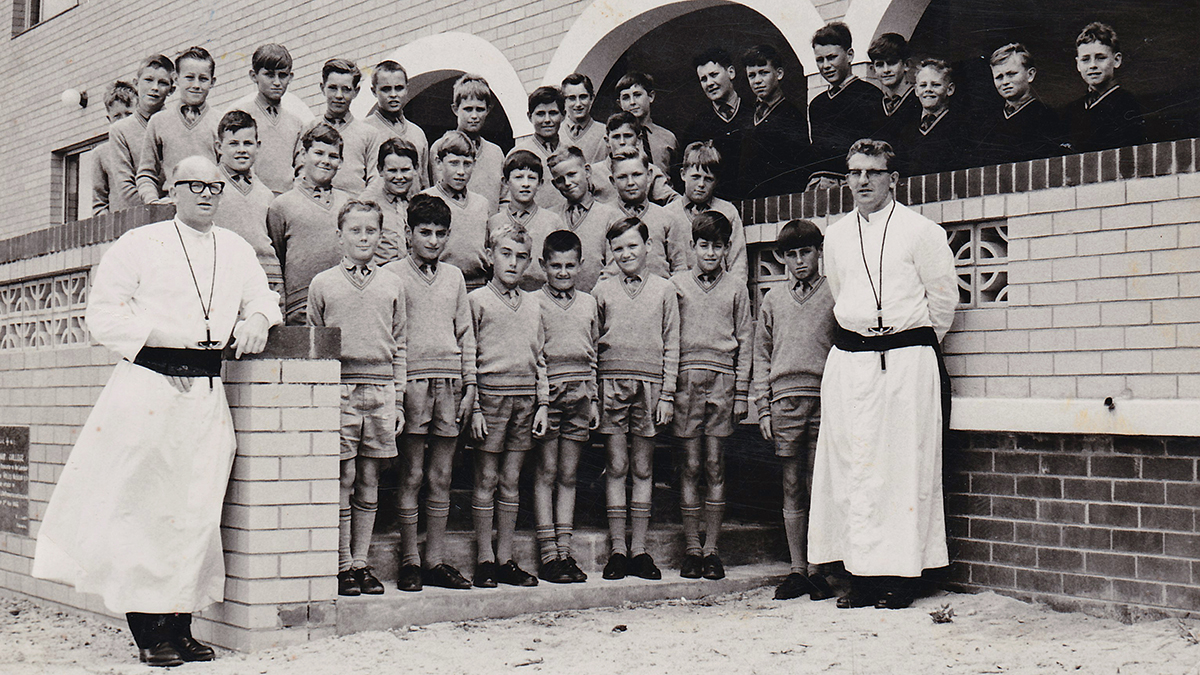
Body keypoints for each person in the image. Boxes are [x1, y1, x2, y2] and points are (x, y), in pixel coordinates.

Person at [32, 155, 280, 667]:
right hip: (148, 389)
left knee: (195, 510)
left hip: (207, 396)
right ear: (173, 189)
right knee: (146, 511)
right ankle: (149, 633)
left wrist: (257, 318)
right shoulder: (139, 244)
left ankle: (180, 625)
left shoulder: (234, 248)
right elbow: (103, 313)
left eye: (215, 186)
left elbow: (263, 298)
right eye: (195, 185)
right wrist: (166, 337)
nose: (207, 194)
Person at [809, 139, 957, 610]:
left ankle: (900, 578)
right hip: (852, 363)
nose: (863, 181)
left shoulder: (922, 232)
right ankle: (858, 576)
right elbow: (840, 290)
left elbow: (942, 305)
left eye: (873, 172)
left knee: (900, 468)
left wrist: (900, 342)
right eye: (854, 172)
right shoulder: (835, 235)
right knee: (853, 468)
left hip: (906, 362)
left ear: (893, 179)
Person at [308, 200, 406, 597]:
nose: (363, 238)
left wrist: (398, 398)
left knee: (369, 478)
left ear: (380, 235)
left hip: (380, 390)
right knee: (343, 477)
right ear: (340, 236)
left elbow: (400, 343)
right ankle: (341, 565)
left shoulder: (392, 283)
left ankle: (362, 562)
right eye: (355, 231)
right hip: (340, 390)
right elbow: (315, 342)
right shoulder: (323, 283)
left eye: (371, 231)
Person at [382, 193, 476, 592]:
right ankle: (410, 560)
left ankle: (435, 559)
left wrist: (470, 383)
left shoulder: (454, 277)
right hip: (412, 384)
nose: (433, 241)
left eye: (440, 233)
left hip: (449, 384)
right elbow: (390, 336)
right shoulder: (392, 276)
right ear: (408, 233)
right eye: (425, 233)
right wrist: (397, 390)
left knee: (441, 475)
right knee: (413, 474)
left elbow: (466, 334)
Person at [752, 219, 838, 602]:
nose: (800, 261)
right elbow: (761, 355)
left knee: (818, 484)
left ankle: (820, 571)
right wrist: (763, 407)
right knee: (790, 483)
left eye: (806, 252)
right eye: (791, 254)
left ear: (819, 252)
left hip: (826, 400)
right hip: (785, 401)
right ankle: (797, 569)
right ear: (782, 258)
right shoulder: (773, 299)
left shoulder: (835, 293)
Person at [593, 217, 679, 582]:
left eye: (632, 246)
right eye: (618, 248)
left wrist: (668, 393)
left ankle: (640, 549)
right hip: (611, 384)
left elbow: (672, 342)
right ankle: (617, 550)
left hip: (650, 386)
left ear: (647, 247)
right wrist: (596, 394)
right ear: (610, 253)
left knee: (643, 468)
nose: (626, 253)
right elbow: (592, 344)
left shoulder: (664, 290)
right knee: (616, 465)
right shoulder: (602, 291)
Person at [670, 211, 751, 581]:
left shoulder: (736, 287)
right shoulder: (676, 285)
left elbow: (746, 341)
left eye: (717, 246)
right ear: (692, 247)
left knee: (715, 465)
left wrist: (743, 392)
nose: (710, 253)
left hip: (722, 381)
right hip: (686, 379)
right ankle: (691, 549)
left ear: (726, 249)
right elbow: (668, 338)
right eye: (703, 245)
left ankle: (712, 550)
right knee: (689, 465)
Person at [468, 221, 549, 588]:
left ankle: (505, 558)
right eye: (505, 254)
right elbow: (468, 356)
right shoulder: (477, 301)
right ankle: (484, 559)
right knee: (486, 477)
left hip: (525, 401)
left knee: (512, 480)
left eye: (521, 257)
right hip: (490, 398)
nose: (513, 264)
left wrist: (543, 403)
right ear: (490, 256)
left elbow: (541, 357)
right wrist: (476, 408)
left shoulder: (534, 305)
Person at [532, 230, 598, 584]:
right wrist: (542, 399)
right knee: (546, 472)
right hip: (549, 395)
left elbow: (594, 355)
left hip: (581, 395)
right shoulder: (534, 303)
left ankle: (566, 550)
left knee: (569, 475)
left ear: (580, 266)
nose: (562, 272)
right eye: (555, 266)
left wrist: (595, 398)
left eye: (570, 266)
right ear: (543, 265)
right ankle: (547, 554)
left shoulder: (588, 303)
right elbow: (536, 356)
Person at [268, 123, 351, 325]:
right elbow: (277, 259)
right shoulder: (282, 205)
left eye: (333, 156)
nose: (325, 161)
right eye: (319, 153)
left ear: (340, 162)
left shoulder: (348, 203)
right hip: (300, 310)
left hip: (344, 303)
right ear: (304, 155)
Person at [211, 111, 283, 296]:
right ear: (219, 147)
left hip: (264, 278)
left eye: (248, 143)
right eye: (233, 143)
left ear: (257, 146)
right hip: (223, 276)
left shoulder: (266, 194)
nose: (242, 150)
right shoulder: (210, 187)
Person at [136, 47, 220, 204]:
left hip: (211, 205)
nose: (196, 85)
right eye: (189, 77)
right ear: (176, 79)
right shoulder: (158, 122)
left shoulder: (221, 121)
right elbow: (146, 173)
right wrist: (153, 201)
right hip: (172, 207)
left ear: (212, 82)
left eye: (203, 79)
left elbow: (228, 172)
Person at [807, 23, 884, 188]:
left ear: (849, 55)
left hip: (851, 183)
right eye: (820, 60)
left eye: (831, 57)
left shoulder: (870, 95)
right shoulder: (816, 104)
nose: (825, 66)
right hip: (818, 185)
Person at [225, 44, 304, 195]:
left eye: (282, 75)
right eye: (269, 74)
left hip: (284, 201)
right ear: (254, 76)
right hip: (250, 196)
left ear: (290, 77)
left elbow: (302, 168)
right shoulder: (240, 115)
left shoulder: (296, 123)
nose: (276, 82)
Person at [664, 141, 747, 283]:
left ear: (716, 181)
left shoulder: (727, 212)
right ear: (683, 174)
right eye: (695, 177)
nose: (701, 184)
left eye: (708, 179)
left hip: (719, 293)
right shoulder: (668, 214)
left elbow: (738, 264)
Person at [739, 44, 812, 197]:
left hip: (779, 203)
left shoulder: (791, 116)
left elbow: (798, 170)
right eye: (752, 75)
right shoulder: (747, 116)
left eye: (763, 73)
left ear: (779, 74)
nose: (757, 80)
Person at [421, 130, 491, 290]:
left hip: (477, 285)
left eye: (467, 164)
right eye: (454, 163)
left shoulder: (481, 203)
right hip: (438, 284)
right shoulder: (426, 199)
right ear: (438, 162)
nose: (461, 172)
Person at [548, 146, 624, 293]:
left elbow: (615, 265)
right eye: (560, 180)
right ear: (554, 184)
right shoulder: (551, 217)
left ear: (587, 171)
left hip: (598, 300)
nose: (568, 183)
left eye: (572, 175)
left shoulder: (611, 216)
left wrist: (591, 299)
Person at [604, 149, 689, 280]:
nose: (630, 182)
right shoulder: (603, 216)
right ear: (613, 181)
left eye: (637, 174)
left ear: (649, 176)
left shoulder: (667, 217)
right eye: (622, 177)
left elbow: (679, 268)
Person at [488, 149, 566, 291]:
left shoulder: (553, 221)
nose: (525, 184)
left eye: (531, 178)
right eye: (518, 177)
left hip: (542, 296)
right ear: (505, 182)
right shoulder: (494, 221)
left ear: (540, 183)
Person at [977, 43, 1067, 166]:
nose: (1005, 82)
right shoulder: (988, 122)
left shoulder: (1047, 116)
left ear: (1030, 75)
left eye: (1011, 74)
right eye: (999, 77)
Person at [305, 58, 384, 196]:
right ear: (322, 88)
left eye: (346, 89)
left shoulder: (369, 134)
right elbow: (300, 175)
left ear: (356, 91)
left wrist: (357, 208)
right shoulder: (309, 128)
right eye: (333, 88)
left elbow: (375, 180)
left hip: (355, 209)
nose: (339, 96)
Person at [1064, 22, 1145, 153]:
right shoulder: (1072, 110)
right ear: (1078, 64)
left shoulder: (1127, 103)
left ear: (1117, 60)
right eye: (1085, 59)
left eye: (1100, 58)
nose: (1092, 65)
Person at [107, 54, 175, 211]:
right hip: (140, 215)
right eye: (149, 80)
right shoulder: (120, 130)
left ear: (172, 90)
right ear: (136, 84)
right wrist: (154, 209)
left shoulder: (177, 122)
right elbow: (125, 186)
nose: (155, 88)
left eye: (163, 83)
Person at [684, 48, 753, 201]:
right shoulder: (696, 127)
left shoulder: (755, 113)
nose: (710, 83)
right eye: (703, 79)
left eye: (714, 75)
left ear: (731, 72)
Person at [898, 59, 972, 176]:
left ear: (950, 89)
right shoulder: (907, 131)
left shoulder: (961, 127)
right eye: (923, 85)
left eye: (935, 85)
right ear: (916, 90)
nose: (928, 90)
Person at [589, 112, 678, 206]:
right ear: (607, 141)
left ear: (639, 140)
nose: (622, 142)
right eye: (616, 137)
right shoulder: (592, 173)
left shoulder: (651, 171)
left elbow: (674, 200)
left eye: (627, 136)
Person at [366, 60, 430, 191]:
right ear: (374, 91)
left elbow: (424, 182)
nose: (393, 95)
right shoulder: (364, 130)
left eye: (399, 88)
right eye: (386, 89)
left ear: (407, 88)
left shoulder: (417, 133)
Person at [360, 138, 420, 265]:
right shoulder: (366, 205)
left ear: (416, 169)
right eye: (392, 170)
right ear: (380, 170)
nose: (399, 177)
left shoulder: (420, 203)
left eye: (405, 170)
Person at [452, 74, 505, 213]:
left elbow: (505, 198)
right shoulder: (440, 149)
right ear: (455, 109)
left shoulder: (496, 153)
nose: (474, 116)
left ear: (488, 110)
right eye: (468, 109)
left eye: (480, 109)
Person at [510, 86, 568, 212]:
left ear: (563, 115)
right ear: (530, 117)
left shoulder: (570, 152)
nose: (547, 120)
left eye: (553, 113)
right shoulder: (518, 153)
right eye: (540, 114)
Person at [615, 72, 677, 176]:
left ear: (651, 96)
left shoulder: (668, 138)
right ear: (619, 103)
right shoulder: (616, 139)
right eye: (626, 97)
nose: (632, 102)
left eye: (637, 95)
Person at [92, 80, 137, 216]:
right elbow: (99, 204)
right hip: (120, 229)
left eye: (129, 114)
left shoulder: (152, 144)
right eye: (117, 116)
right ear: (109, 119)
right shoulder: (101, 154)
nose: (123, 121)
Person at [868, 33, 920, 148]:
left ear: (906, 65)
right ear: (874, 70)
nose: (886, 70)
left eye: (892, 63)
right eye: (880, 65)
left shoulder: (920, 101)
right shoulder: (874, 105)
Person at [560, 73, 608, 165]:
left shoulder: (605, 132)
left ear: (592, 98)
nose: (578, 104)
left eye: (583, 97)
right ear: (563, 101)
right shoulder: (556, 134)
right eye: (572, 98)